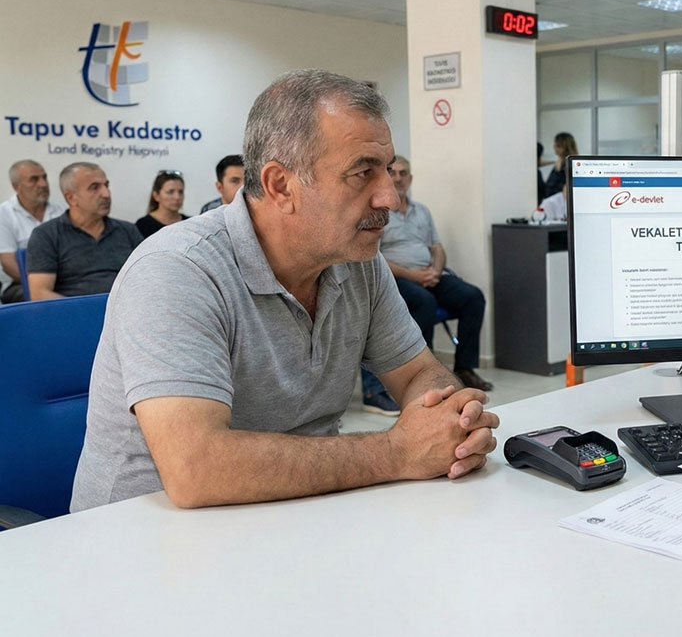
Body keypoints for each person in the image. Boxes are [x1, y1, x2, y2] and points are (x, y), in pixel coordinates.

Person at [70, 70, 499, 511]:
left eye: (388, 171)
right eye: (362, 173)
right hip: (140, 547)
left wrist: (451, 418)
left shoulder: (357, 261)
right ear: (281, 186)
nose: (388, 197)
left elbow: (416, 373)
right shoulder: (176, 269)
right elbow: (196, 468)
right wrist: (397, 451)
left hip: (297, 513)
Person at [359, 155, 492, 416]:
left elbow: (437, 247)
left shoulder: (422, 210)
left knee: (472, 296)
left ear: (410, 178)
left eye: (403, 173)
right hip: (398, 278)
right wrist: (412, 275)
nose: (397, 178)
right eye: (392, 172)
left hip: (431, 274)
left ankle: (464, 367)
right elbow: (376, 258)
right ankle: (421, 377)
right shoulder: (378, 211)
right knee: (424, 301)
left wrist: (436, 270)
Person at [25, 162, 142, 300]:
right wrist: (88, 311)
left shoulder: (128, 230)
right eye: (94, 188)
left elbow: (150, 276)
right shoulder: (46, 235)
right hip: (74, 315)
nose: (106, 194)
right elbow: (40, 294)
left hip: (127, 312)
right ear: (71, 198)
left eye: (106, 185)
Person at [0, 159, 65, 303]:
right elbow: (9, 264)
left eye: (44, 177)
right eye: (34, 180)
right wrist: (42, 281)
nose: (43, 184)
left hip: (61, 279)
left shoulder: (62, 211)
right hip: (19, 283)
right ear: (16, 186)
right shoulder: (3, 214)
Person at [136, 170, 188, 238]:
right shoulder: (143, 225)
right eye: (170, 192)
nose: (177, 197)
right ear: (156, 195)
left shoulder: (189, 223)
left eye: (180, 192)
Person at [543, 132, 577, 199]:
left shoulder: (568, 165)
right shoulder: (560, 162)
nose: (553, 146)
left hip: (560, 203)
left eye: (556, 144)